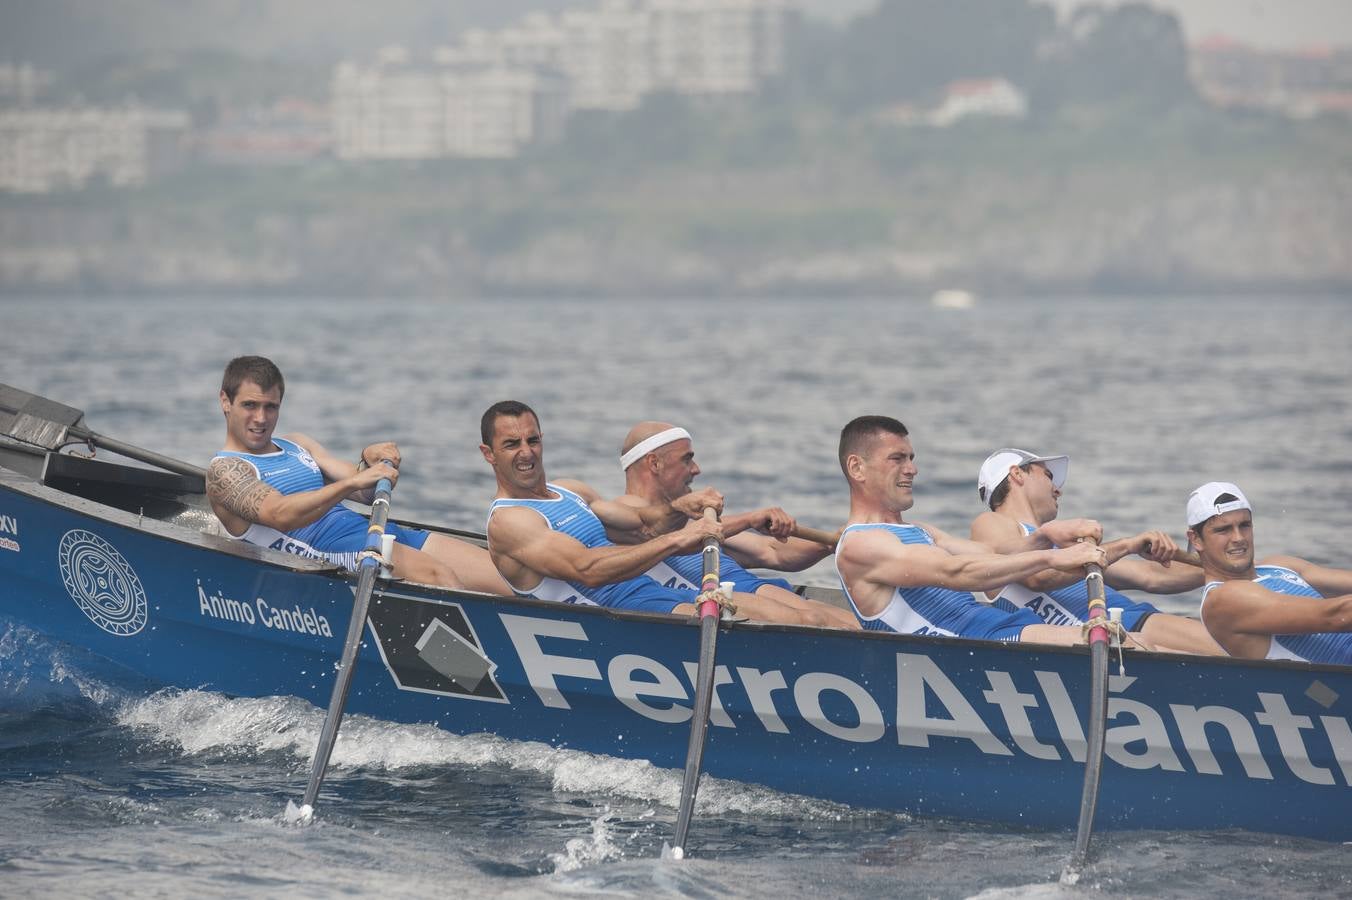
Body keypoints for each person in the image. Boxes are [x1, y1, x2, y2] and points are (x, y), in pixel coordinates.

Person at [479, 400, 846, 626]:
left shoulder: (570, 490)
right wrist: (680, 535)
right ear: (489, 454)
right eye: (512, 444)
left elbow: (642, 528)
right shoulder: (510, 520)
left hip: (655, 595)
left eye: (533, 440)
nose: (526, 452)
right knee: (795, 619)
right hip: (618, 615)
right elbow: (585, 570)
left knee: (814, 618)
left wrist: (677, 511)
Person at [206, 356, 509, 593]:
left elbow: (363, 491)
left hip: (372, 531)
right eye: (250, 405)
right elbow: (280, 514)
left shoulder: (297, 444)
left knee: (505, 577)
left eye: (270, 407)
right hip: (329, 554)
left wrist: (369, 460)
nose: (261, 418)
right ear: (225, 401)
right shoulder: (226, 471)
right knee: (439, 576)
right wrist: (353, 481)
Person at [833, 415, 1112, 645]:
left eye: (911, 458)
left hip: (995, 629)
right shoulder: (860, 545)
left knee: (1146, 646)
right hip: (971, 646)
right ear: (857, 468)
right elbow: (955, 571)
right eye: (897, 459)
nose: (912, 469)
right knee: (1125, 647)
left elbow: (990, 555)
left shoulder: (920, 530)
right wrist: (1050, 558)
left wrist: (1044, 537)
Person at [970, 448, 1219, 655]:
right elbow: (1035, 577)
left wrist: (1227, 567)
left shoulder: (1065, 548)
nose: (1058, 490)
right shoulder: (992, 522)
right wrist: (1127, 545)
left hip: (1131, 626)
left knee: (1243, 649)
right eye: (1048, 475)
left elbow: (1153, 577)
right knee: (1240, 654)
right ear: (1017, 474)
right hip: (1112, 633)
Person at [615, 421, 858, 630]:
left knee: (852, 623)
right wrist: (749, 519)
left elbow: (773, 552)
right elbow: (651, 530)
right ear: (654, 463)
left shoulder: (695, 520)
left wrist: (829, 543)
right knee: (813, 619)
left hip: (750, 590)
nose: (696, 469)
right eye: (686, 459)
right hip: (712, 603)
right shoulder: (621, 519)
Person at [1187, 481, 1352, 663]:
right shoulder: (1224, 597)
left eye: (1244, 525)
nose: (1239, 538)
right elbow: (1335, 616)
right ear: (1195, 539)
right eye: (1223, 530)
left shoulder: (1279, 564)